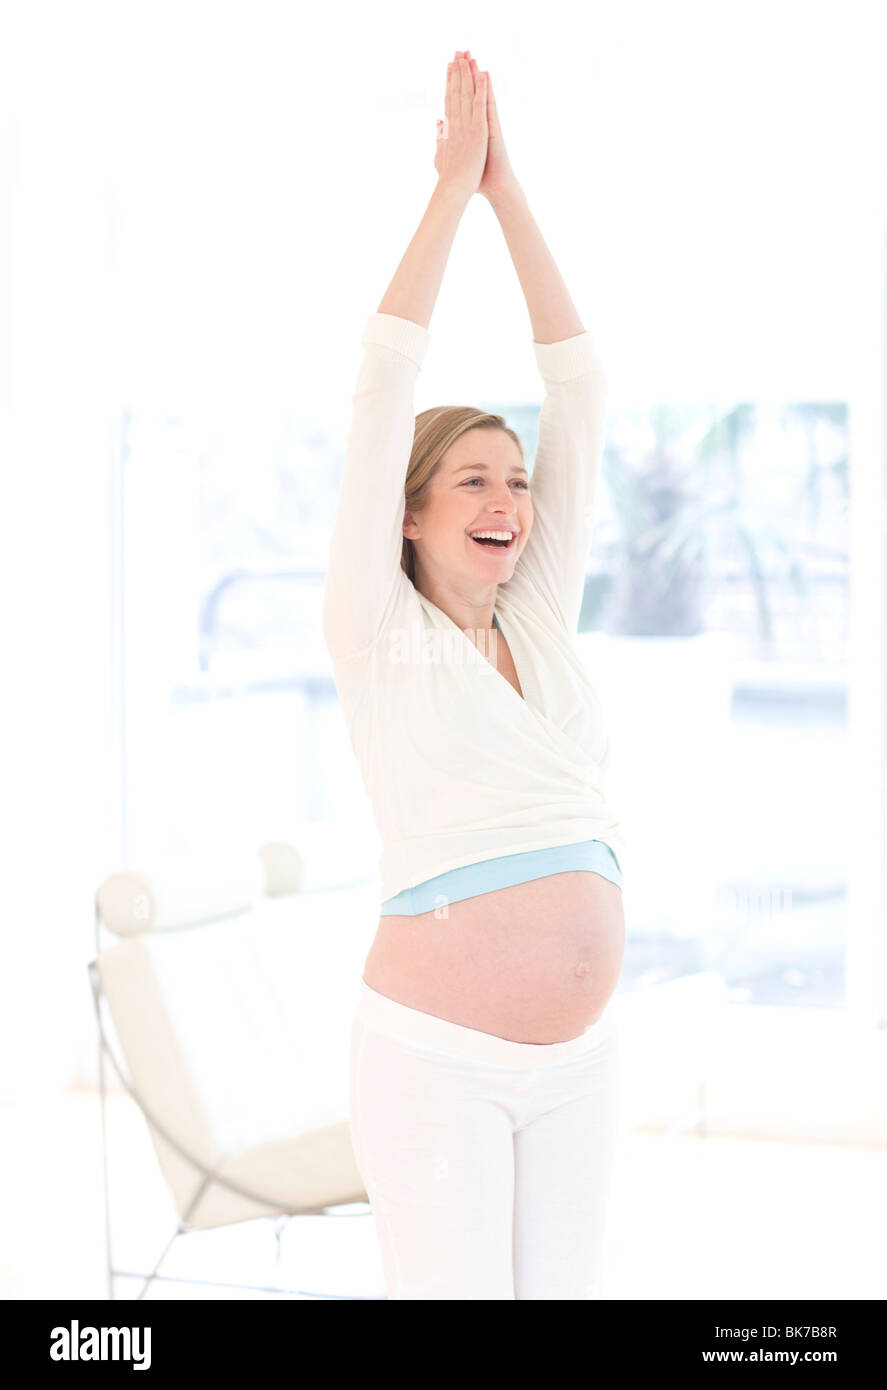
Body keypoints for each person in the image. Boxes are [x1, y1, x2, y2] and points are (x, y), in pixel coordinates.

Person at [322, 49, 626, 1300]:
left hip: (581, 1060)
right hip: (433, 1058)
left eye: (516, 478)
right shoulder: (372, 629)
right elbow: (383, 380)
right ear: (408, 510)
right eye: (472, 478)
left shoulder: (541, 613)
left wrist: (517, 194)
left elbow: (582, 384)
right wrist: (453, 190)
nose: (507, 499)